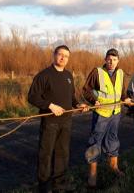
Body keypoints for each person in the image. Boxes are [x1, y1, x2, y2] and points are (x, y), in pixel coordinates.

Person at [28, 45, 88, 193]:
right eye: (60, 54)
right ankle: (44, 187)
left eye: (66, 56)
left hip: (66, 121)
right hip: (50, 122)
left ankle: (60, 186)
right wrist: (50, 105)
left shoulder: (68, 76)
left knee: (62, 153)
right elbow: (32, 97)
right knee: (46, 154)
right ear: (54, 55)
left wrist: (78, 104)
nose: (63, 58)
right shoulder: (44, 75)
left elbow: (71, 97)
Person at [82, 48, 131, 188]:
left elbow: (121, 92)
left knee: (113, 140)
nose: (111, 62)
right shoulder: (97, 72)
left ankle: (114, 167)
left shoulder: (121, 73)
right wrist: (93, 100)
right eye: (109, 59)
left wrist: (125, 98)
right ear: (105, 59)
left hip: (115, 113)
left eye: (114, 59)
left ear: (118, 61)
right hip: (101, 113)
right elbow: (86, 89)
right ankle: (92, 176)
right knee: (95, 141)